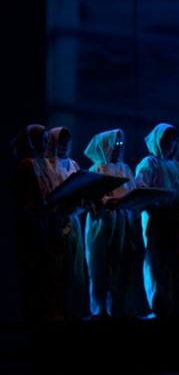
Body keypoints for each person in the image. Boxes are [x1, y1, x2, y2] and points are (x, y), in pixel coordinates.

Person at [83, 128, 150, 319]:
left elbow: (132, 191)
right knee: (100, 263)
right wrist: (105, 202)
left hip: (123, 222)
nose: (119, 148)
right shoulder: (97, 170)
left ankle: (120, 305)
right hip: (103, 222)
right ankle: (100, 307)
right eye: (115, 144)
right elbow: (89, 196)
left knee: (122, 264)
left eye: (121, 145)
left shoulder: (125, 168)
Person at [10, 124, 65, 323]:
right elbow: (28, 202)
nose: (45, 144)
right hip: (35, 228)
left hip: (50, 223)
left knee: (52, 274)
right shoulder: (26, 165)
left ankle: (52, 313)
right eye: (42, 140)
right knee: (37, 275)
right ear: (32, 142)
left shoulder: (42, 163)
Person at [135, 122, 179, 318]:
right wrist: (160, 200)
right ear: (158, 141)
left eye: (173, 140)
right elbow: (141, 189)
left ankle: (178, 307)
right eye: (166, 139)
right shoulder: (149, 163)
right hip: (157, 219)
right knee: (158, 263)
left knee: (177, 263)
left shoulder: (175, 166)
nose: (170, 143)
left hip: (175, 218)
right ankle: (159, 308)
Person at [45, 126, 91, 320]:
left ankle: (74, 307)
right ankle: (58, 310)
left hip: (73, 219)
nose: (65, 145)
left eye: (68, 141)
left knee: (75, 267)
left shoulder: (72, 165)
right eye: (61, 141)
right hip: (56, 220)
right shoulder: (48, 165)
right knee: (59, 266)